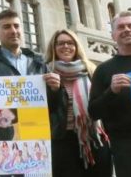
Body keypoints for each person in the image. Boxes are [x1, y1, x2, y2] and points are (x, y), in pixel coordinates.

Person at [89, 10, 131, 177]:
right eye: (120, 27)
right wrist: (111, 91)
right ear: (113, 35)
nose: (126, 29)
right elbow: (93, 112)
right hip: (126, 149)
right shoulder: (103, 71)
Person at [46, 29, 112, 176]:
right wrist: (53, 91)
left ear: (76, 46)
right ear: (53, 47)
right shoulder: (45, 72)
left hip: (94, 138)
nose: (66, 46)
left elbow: (102, 104)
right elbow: (43, 110)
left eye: (70, 43)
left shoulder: (91, 70)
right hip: (62, 141)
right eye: (60, 43)